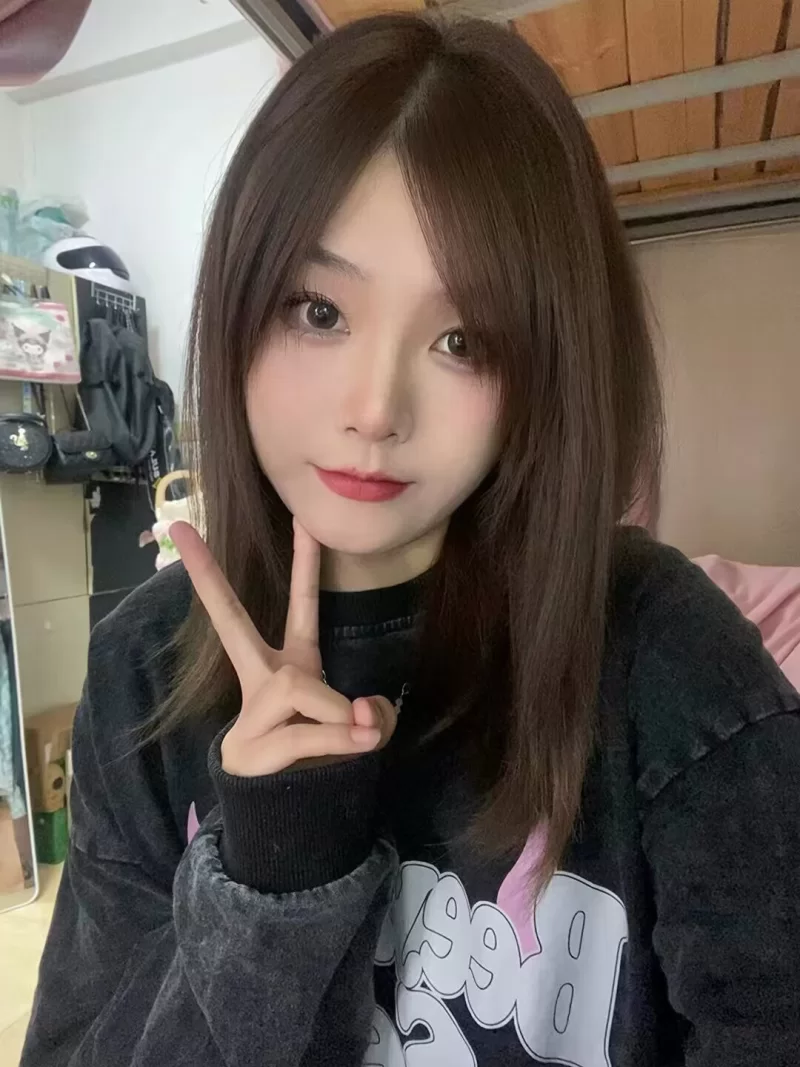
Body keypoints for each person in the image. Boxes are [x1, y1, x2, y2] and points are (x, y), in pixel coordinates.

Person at [22, 13, 800, 1067]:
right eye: (318, 310)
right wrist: (269, 879)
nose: (374, 409)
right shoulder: (144, 662)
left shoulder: (666, 659)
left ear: (546, 369)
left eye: (461, 338)